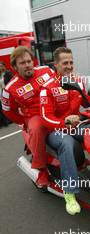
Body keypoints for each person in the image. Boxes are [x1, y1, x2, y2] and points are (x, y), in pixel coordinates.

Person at [39, 47, 90, 215]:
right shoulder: (47, 88)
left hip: (75, 126)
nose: (69, 66)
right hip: (55, 130)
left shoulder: (78, 81)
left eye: (71, 62)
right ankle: (69, 192)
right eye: (65, 63)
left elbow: (89, 104)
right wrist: (64, 122)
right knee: (66, 143)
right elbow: (44, 118)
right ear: (56, 64)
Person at [1, 46, 55, 187]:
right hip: (36, 117)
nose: (27, 65)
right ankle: (41, 169)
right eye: (22, 63)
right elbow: (8, 111)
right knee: (36, 129)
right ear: (14, 67)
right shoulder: (9, 89)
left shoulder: (46, 71)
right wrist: (25, 121)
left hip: (56, 110)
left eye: (29, 61)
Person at [0, 61, 13, 126]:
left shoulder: (8, 73)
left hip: (8, 91)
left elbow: (11, 81)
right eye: (0, 66)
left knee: (11, 105)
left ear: (4, 66)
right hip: (3, 91)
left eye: (1, 66)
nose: (0, 67)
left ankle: (11, 119)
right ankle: (9, 119)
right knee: (6, 105)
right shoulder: (1, 74)